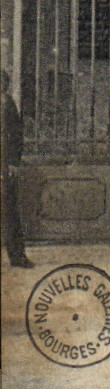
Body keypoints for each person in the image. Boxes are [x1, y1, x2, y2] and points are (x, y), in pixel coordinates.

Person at [3, 84, 32, 268]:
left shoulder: (6, 104)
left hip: (3, 166)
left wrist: (13, 162)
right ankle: (17, 256)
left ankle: (17, 256)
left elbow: (15, 135)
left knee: (9, 212)